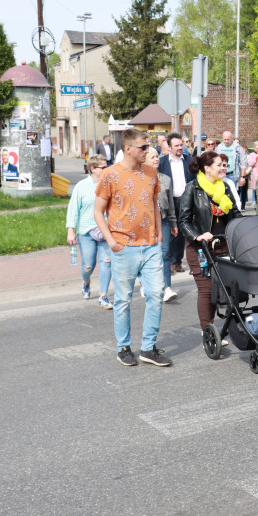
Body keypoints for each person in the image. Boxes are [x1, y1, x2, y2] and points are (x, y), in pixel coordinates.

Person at [92, 128, 172, 368]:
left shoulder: (150, 173)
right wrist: (111, 241)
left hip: (150, 246)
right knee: (124, 299)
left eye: (148, 147)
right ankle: (124, 347)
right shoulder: (110, 175)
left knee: (156, 294)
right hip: (123, 246)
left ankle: (148, 348)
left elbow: (155, 205)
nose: (147, 151)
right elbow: (98, 212)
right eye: (143, 147)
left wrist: (158, 235)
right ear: (128, 148)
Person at [178, 151, 240, 334]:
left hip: (223, 245)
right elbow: (183, 220)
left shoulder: (225, 187)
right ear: (207, 168)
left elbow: (235, 213)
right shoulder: (193, 188)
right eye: (219, 165)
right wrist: (197, 235)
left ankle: (232, 324)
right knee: (206, 289)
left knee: (228, 285)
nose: (223, 168)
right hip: (200, 248)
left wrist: (243, 228)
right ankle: (209, 331)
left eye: (224, 165)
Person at [66, 155, 112, 309]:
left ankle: (103, 296)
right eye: (102, 167)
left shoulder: (110, 184)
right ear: (92, 168)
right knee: (88, 265)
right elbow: (73, 209)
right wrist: (71, 231)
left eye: (107, 166)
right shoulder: (81, 186)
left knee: (106, 263)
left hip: (105, 230)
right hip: (86, 232)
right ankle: (86, 282)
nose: (106, 169)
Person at [158, 132, 194, 276]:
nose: (180, 148)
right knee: (172, 232)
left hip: (186, 201)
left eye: (181, 145)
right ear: (169, 147)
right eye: (177, 145)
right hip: (170, 202)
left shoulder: (190, 161)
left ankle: (178, 261)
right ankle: (170, 261)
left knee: (184, 232)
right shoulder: (162, 163)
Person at [146, 145, 179, 302]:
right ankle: (146, 284)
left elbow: (171, 204)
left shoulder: (166, 179)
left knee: (165, 253)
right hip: (146, 223)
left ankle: (167, 288)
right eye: (152, 157)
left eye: (157, 156)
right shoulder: (141, 179)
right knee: (149, 255)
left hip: (164, 220)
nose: (156, 159)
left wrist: (174, 223)